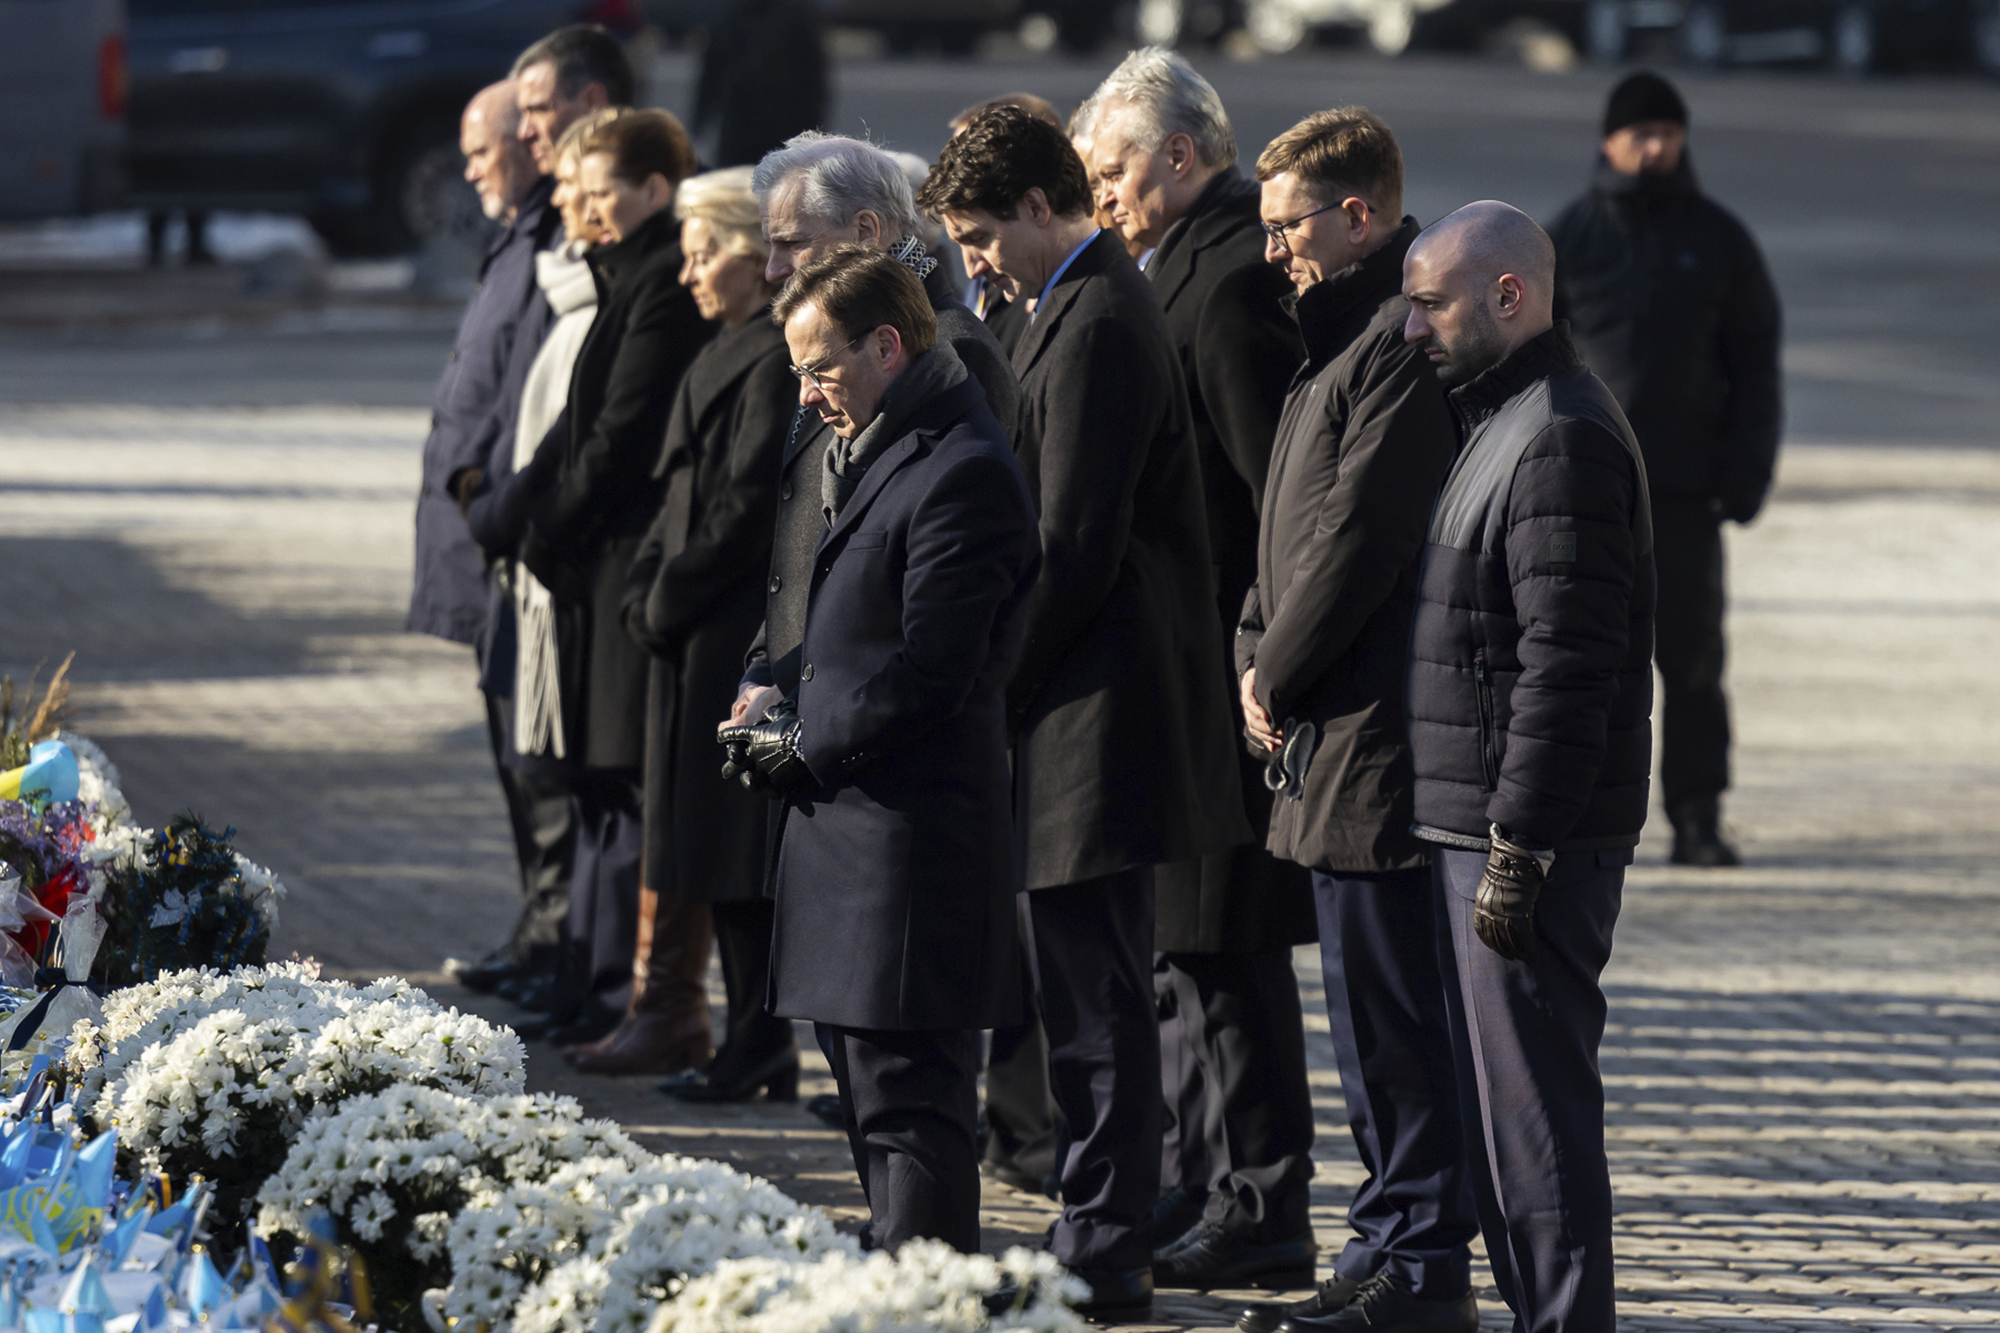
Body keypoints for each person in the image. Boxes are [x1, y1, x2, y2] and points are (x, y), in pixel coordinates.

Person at [919, 105, 1250, 1318]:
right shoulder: (1062, 301)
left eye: (979, 234)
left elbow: (1071, 544)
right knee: (1083, 993)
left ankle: (1105, 1245)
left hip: (1098, 721)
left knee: (1099, 997)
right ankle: (1094, 1218)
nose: (971, 263)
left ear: (1044, 207)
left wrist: (984, 689)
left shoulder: (1103, 315)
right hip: (1068, 711)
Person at [718, 245, 1041, 1254]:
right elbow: (858, 627)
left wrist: (803, 744)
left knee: (909, 1110)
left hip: (910, 848)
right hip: (849, 840)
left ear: (888, 347)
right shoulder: (876, 447)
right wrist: (778, 689)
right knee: (868, 1100)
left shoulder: (962, 467)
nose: (805, 395)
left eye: (819, 368)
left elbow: (933, 671)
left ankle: (926, 1298)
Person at [1231, 110, 1478, 1333]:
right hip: (1320, 730)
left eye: (1285, 227)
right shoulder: (1327, 339)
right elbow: (1276, 529)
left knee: (1396, 1026)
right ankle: (1383, 1238)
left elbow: (1359, 539)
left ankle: (1421, 1262)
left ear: (1358, 216)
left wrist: (1269, 671)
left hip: (1377, 738)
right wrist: (1250, 650)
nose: (1271, 251)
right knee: (1360, 1020)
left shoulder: (1398, 340)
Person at [1077, 50, 1318, 1291]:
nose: (1102, 195)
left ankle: (1265, 1197)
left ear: (1181, 154)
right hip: (1180, 668)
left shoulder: (1224, 283)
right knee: (1182, 948)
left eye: (1113, 170)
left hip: (1224, 670)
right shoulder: (1172, 262)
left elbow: (1273, 492)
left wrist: (1260, 657)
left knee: (1224, 948)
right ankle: (1203, 1175)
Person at [1401, 201, 1656, 1333]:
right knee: (1501, 1127)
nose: (1411, 330)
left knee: (1535, 1121)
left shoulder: (1557, 433)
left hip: (1524, 845)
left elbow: (1569, 666)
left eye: (1429, 304)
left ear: (1509, 298)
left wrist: (1517, 846)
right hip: (1478, 828)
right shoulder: (1500, 417)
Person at [582, 168, 800, 1091]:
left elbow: (745, 503)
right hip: (686, 628)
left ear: (753, 260)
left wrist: (666, 595)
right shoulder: (730, 344)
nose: (689, 274)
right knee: (706, 849)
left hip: (724, 629)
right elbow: (683, 495)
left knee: (736, 851)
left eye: (705, 254)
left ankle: (759, 1039)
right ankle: (738, 1036)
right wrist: (650, 587)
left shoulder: (772, 353)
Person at [507, 110, 713, 1047]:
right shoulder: (623, 271)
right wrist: (522, 512)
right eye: (578, 190)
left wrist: (546, 523)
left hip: (625, 555)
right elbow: (578, 426)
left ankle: (626, 991)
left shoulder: (663, 283)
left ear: (656, 189)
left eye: (603, 189)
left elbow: (621, 434)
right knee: (597, 782)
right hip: (594, 555)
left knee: (625, 783)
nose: (584, 206)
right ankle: (594, 979)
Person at [1549, 71, 1781, 867]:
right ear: (1609, 141)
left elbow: (1756, 362)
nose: (1656, 149)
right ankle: (1580, 817)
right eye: (1641, 134)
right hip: (1585, 496)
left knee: (1693, 664)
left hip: (1683, 495)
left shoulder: (1718, 239)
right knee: (1585, 663)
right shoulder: (1569, 239)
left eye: (1669, 135)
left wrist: (1746, 473)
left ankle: (1697, 814)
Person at [460, 108, 626, 1013]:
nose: (564, 202)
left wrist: (510, 515)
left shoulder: (612, 295)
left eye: (581, 189)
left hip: (565, 572)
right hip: (523, 560)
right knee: (538, 771)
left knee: (581, 789)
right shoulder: (562, 277)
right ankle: (555, 946)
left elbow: (591, 441)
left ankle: (590, 971)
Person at [407, 81, 567, 996]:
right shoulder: (517, 236)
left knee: (539, 764)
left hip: (510, 529)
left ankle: (557, 944)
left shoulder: (551, 238)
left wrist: (485, 490)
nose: (468, 171)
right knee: (516, 761)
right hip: (482, 532)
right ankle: (538, 931)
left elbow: (528, 401)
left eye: (483, 149)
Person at [693, 0, 828, 168]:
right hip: (739, 124)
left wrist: (813, 131)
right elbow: (713, 68)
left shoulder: (796, 14)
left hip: (780, 125)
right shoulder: (734, 13)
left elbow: (813, 77)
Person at [514, 24, 637, 177]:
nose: (524, 133)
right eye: (523, 112)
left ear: (594, 101)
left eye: (540, 109)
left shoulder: (647, 193)